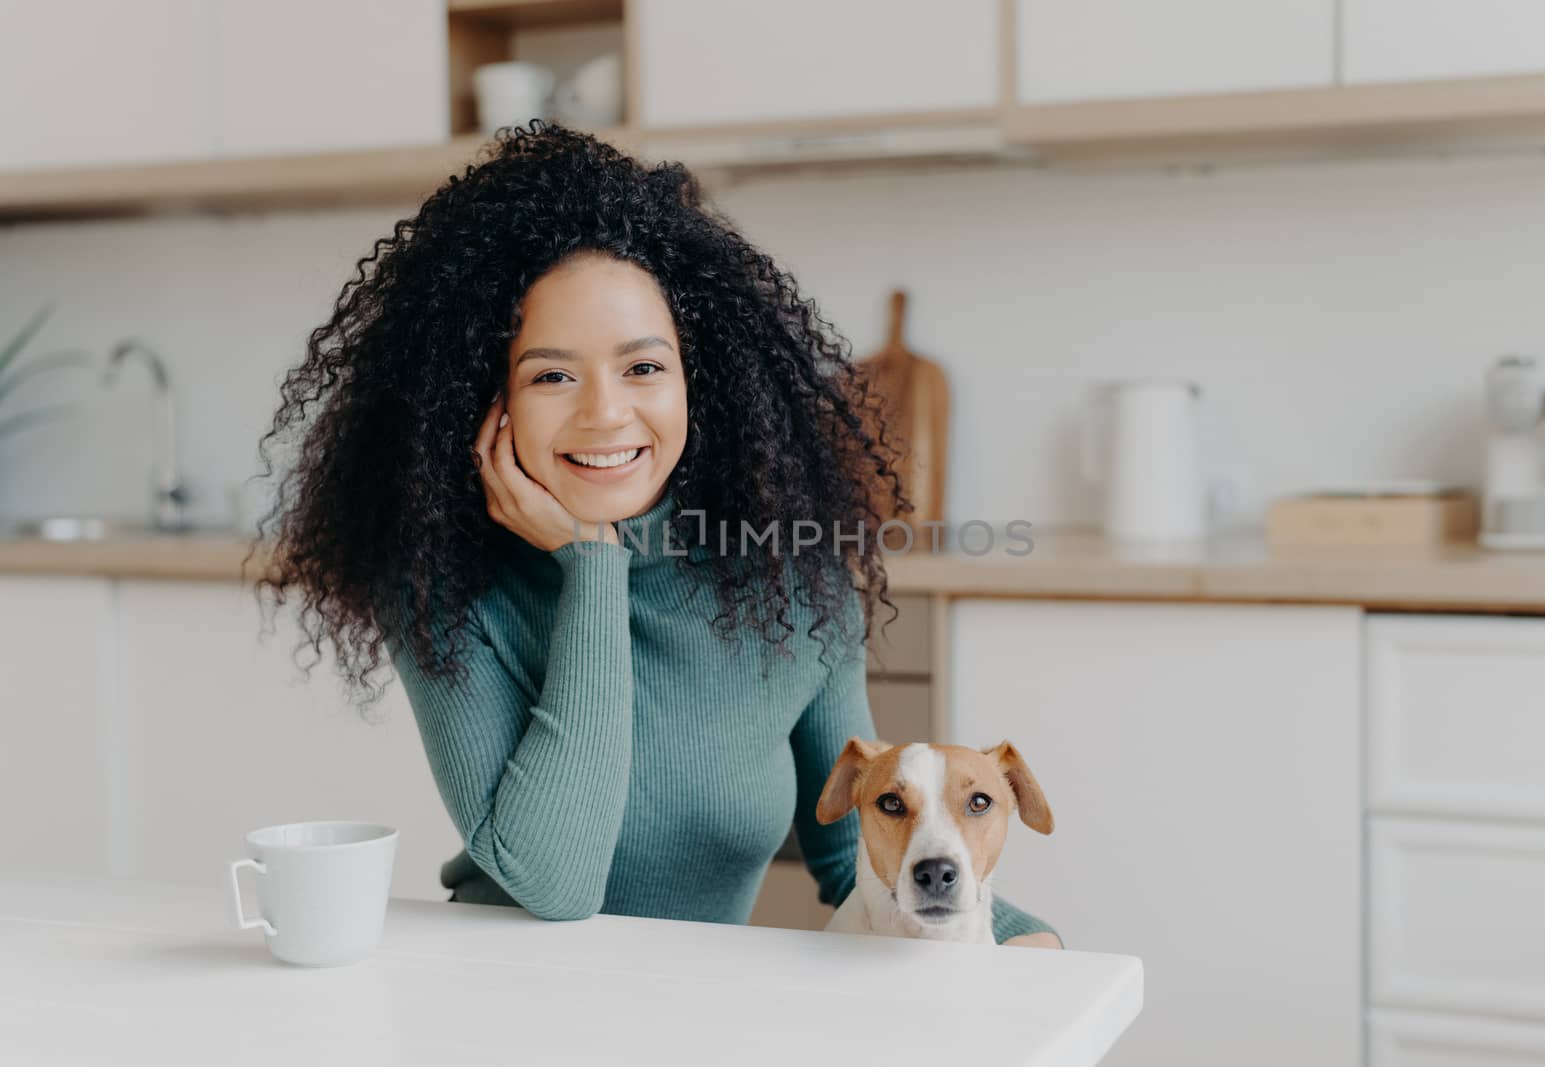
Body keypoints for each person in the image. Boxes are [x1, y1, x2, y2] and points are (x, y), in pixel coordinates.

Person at [250, 121, 1061, 948]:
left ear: (697, 381)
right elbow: (556, 883)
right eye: (552, 374)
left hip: (694, 1012)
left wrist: (1026, 939)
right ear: (481, 399)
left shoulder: (792, 578)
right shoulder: (443, 582)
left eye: (643, 367)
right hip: (497, 1000)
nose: (606, 413)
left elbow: (859, 852)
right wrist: (593, 563)